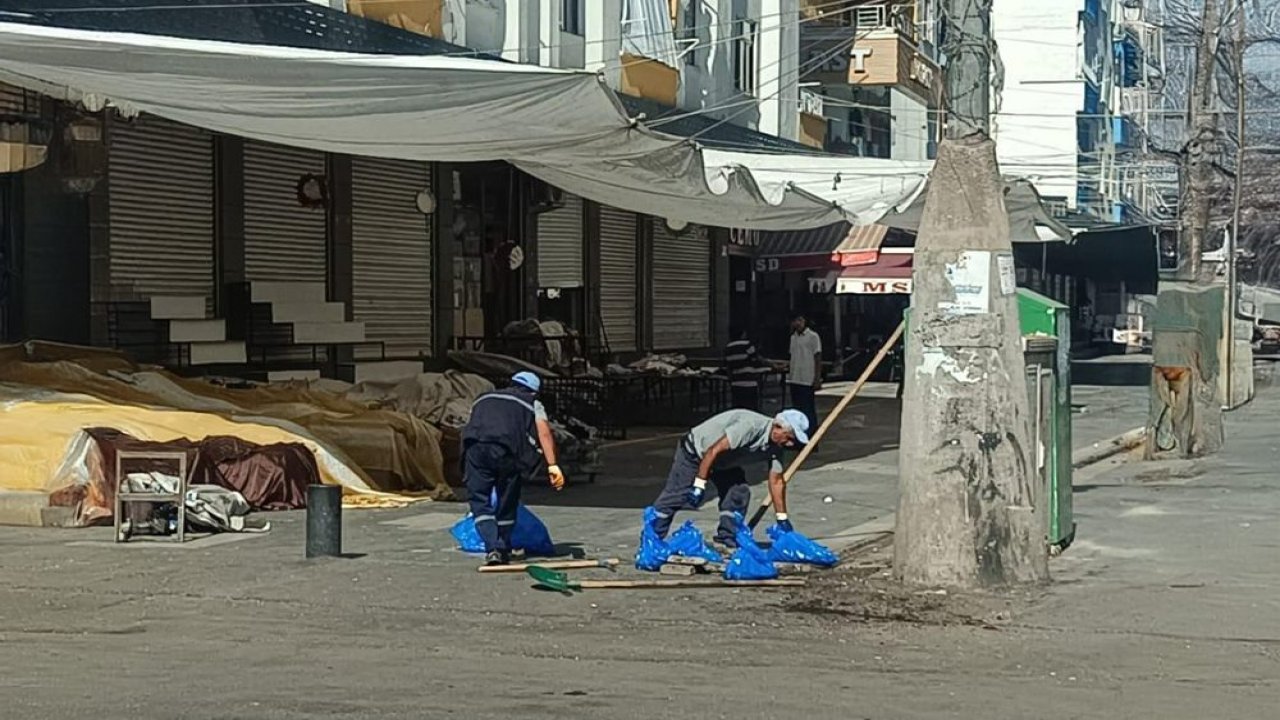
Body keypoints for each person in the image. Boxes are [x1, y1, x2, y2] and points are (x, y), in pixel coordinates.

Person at [648, 408, 810, 548]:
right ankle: (652, 539)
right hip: (696, 452)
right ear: (777, 427)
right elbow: (713, 451)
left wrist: (782, 518)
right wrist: (699, 484)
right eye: (788, 437)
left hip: (724, 462)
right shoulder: (750, 427)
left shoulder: (776, 448)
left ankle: (727, 536)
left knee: (738, 493)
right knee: (677, 495)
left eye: (793, 441)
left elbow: (776, 482)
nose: (789, 444)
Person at [461, 371, 565, 566]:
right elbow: (543, 433)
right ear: (534, 391)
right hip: (506, 452)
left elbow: (472, 423)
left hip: (475, 449)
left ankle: (493, 548)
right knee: (506, 500)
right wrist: (552, 465)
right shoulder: (531, 403)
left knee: (480, 501)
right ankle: (502, 547)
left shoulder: (483, 398)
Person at [787, 314, 823, 431]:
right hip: (794, 378)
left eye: (800, 320)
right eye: (795, 320)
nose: (797, 323)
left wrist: (817, 378)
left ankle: (811, 436)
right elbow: (792, 356)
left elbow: (817, 357)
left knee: (808, 410)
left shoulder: (813, 336)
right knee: (797, 411)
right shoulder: (793, 338)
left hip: (807, 379)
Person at [723, 327, 770, 411]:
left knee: (738, 409)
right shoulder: (746, 344)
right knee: (750, 409)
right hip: (749, 382)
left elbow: (727, 364)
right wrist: (771, 364)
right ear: (743, 334)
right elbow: (757, 358)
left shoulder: (728, 348)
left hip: (735, 383)